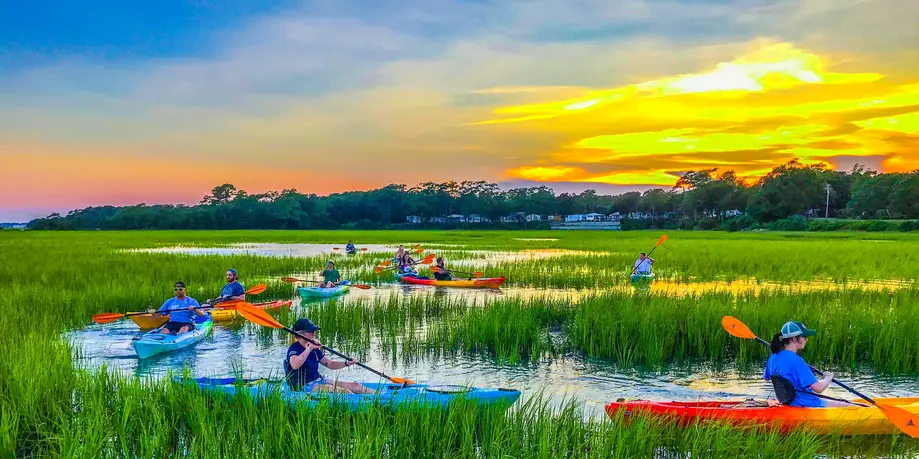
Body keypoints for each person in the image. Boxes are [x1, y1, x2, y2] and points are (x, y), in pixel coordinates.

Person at [763, 321, 845, 407]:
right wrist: (828, 378)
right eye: (804, 337)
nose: (806, 340)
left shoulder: (773, 356)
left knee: (841, 401)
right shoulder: (797, 361)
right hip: (807, 404)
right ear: (794, 339)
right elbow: (818, 388)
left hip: (788, 403)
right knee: (848, 406)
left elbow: (766, 378)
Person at [284, 318, 375, 394]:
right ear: (301, 334)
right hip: (304, 386)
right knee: (344, 392)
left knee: (355, 386)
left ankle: (381, 395)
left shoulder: (313, 347)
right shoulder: (294, 349)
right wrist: (309, 349)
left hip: (318, 380)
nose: (313, 334)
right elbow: (295, 365)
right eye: (310, 331)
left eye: (314, 331)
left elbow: (329, 363)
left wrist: (346, 363)